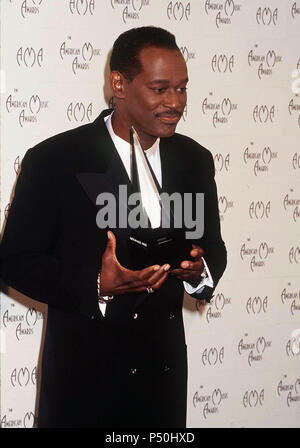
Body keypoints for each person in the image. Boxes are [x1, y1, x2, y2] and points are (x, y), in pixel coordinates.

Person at [0, 26, 226, 428]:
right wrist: (97, 285)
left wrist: (197, 270)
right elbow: (14, 262)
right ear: (119, 84)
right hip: (85, 384)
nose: (175, 102)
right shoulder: (56, 160)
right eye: (160, 89)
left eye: (182, 88)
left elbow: (212, 247)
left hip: (164, 380)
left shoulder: (195, 160)